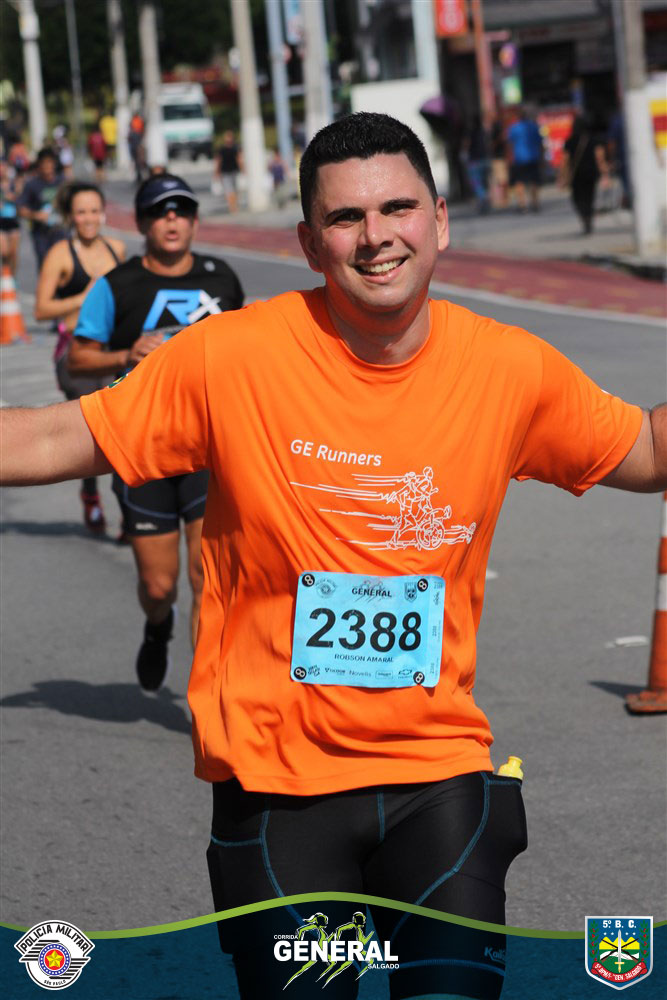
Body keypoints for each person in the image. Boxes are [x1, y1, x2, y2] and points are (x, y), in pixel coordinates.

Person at [0, 114, 664, 1000]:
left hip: (439, 776)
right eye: (346, 218)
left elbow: (645, 451)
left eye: (398, 208)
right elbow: (52, 438)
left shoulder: (508, 368)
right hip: (278, 790)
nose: (375, 236)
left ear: (439, 220)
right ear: (311, 244)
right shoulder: (230, 358)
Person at [66, 173, 244, 688]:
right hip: (142, 449)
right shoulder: (116, 286)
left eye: (182, 210)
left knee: (206, 578)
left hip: (209, 448)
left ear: (194, 221)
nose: (172, 219)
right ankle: (157, 624)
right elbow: (78, 358)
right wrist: (127, 353)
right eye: (160, 211)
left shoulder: (221, 279)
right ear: (143, 223)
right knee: (160, 585)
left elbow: (247, 351)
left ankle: (204, 704)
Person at [33, 182, 126, 532]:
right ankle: (90, 492)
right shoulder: (61, 253)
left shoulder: (116, 249)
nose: (88, 218)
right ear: (71, 216)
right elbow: (42, 309)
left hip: (113, 350)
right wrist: (84, 297)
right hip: (73, 352)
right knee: (94, 428)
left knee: (124, 426)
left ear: (103, 213)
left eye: (94, 211)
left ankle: (129, 507)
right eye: (81, 212)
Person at [561, 112, 610, 235]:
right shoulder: (594, 140)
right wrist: (605, 173)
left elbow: (565, 161)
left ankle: (584, 218)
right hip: (591, 173)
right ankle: (588, 218)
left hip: (576, 174)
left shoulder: (569, 141)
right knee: (589, 197)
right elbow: (599, 157)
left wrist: (563, 176)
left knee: (577, 198)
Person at [18, 147, 65, 268]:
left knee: (63, 264)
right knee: (46, 265)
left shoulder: (63, 182)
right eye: (43, 162)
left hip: (61, 232)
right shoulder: (32, 184)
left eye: (49, 162)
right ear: (39, 165)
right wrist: (36, 215)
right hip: (41, 234)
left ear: (54, 163)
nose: (47, 166)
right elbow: (21, 209)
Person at [506, 106, 543, 212]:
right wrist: (542, 157)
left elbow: (509, 145)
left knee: (519, 181)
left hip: (519, 158)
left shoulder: (513, 128)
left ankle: (522, 204)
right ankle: (534, 203)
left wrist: (509, 158)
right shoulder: (534, 126)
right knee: (534, 180)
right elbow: (540, 143)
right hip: (533, 157)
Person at [0, 157, 23, 275]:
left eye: (3, 166)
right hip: (1, 222)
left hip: (13, 221)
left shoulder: (14, 183)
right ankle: (5, 276)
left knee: (13, 253)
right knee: (4, 252)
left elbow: (21, 198)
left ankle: (12, 277)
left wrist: (13, 196)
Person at [213, 130, 241, 213]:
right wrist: (216, 172)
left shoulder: (235, 148)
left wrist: (243, 169)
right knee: (229, 190)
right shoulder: (222, 149)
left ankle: (234, 205)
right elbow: (219, 161)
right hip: (225, 172)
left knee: (234, 189)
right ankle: (232, 206)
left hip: (234, 171)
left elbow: (239, 159)